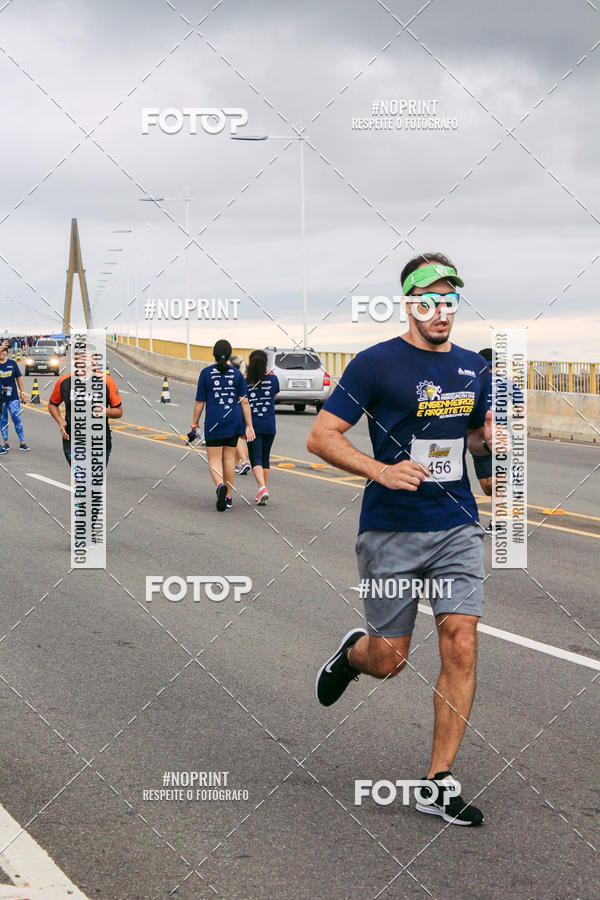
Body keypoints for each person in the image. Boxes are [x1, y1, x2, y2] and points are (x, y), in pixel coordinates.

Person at [308, 252, 506, 828]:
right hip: (391, 524)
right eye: (430, 299)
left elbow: (474, 446)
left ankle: (438, 781)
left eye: (449, 300)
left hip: (456, 526)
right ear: (409, 302)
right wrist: (380, 469)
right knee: (390, 659)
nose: (441, 310)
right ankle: (354, 655)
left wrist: (490, 440)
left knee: (461, 642)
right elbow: (322, 437)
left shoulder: (474, 369)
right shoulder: (375, 365)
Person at [190, 339, 255, 511]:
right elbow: (245, 402)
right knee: (229, 459)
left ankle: (220, 486)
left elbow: (199, 402)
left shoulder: (206, 373)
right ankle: (228, 497)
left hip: (214, 422)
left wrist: (194, 424)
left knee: (214, 459)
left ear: (214, 354)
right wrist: (249, 425)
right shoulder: (237, 374)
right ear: (229, 355)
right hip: (234, 421)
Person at [473, 347, 525, 532]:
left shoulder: (474, 383)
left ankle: (497, 523)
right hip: (503, 435)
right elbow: (521, 411)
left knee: (487, 486)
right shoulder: (509, 384)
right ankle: (509, 478)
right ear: (498, 364)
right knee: (493, 485)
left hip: (480, 437)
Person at [48, 360, 122, 466]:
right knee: (82, 479)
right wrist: (60, 421)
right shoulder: (64, 381)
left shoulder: (107, 381)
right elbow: (52, 404)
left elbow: (118, 412)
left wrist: (105, 411)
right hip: (72, 440)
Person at [245, 349, 280, 505]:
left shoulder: (246, 382)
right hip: (269, 424)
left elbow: (243, 403)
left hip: (253, 425)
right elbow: (274, 397)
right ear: (266, 363)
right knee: (265, 458)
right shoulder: (273, 380)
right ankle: (262, 491)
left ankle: (262, 488)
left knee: (255, 458)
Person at [0, 342, 29, 451]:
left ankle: (22, 442)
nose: (2, 353)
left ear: (7, 352)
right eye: (0, 350)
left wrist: (22, 392)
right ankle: (6, 443)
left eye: (4, 351)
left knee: (17, 418)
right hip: (1, 398)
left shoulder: (12, 363)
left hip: (13, 397)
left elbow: (19, 378)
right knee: (3, 420)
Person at [230, 355, 251, 476]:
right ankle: (235, 465)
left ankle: (244, 461)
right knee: (240, 437)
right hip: (245, 410)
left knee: (237, 437)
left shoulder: (234, 377)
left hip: (236, 409)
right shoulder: (245, 378)